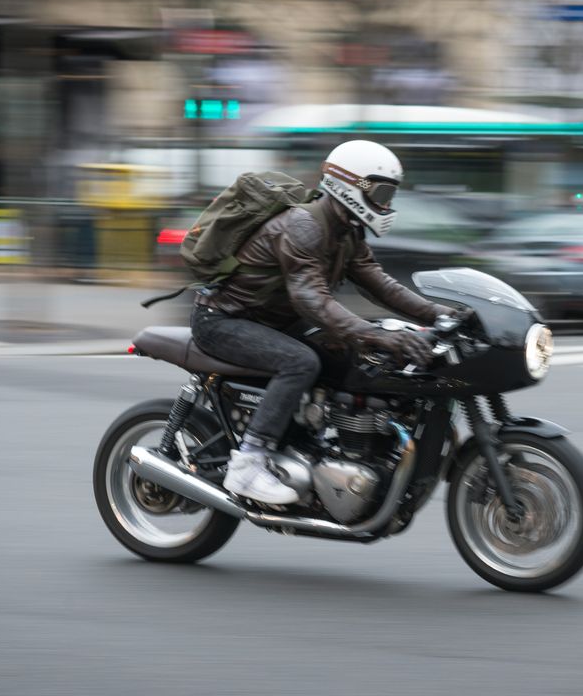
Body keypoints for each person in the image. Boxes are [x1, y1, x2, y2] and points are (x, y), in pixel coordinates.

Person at [191, 140, 456, 505]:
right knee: (301, 361)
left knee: (359, 359)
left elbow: (382, 286)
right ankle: (249, 462)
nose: (387, 204)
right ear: (350, 185)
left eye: (390, 194)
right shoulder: (304, 226)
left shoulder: (346, 231)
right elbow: (312, 301)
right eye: (381, 192)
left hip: (275, 322)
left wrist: (442, 314)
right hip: (225, 320)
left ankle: (322, 447)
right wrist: (377, 334)